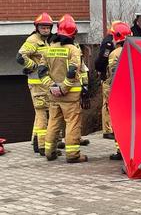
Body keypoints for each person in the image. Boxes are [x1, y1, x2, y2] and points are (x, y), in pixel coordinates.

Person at [38, 14, 88, 163]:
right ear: (73, 33)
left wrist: (52, 87)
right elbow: (72, 71)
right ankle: (73, 155)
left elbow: (41, 71)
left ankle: (49, 152)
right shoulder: (73, 49)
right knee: (72, 122)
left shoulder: (48, 49)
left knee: (53, 122)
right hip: (70, 95)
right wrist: (64, 88)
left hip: (53, 95)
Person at [16, 12, 53, 156]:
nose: (45, 30)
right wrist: (34, 66)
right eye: (43, 27)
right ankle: (43, 146)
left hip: (45, 83)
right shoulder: (33, 40)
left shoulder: (47, 41)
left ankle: (37, 141)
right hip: (37, 83)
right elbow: (20, 57)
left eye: (48, 27)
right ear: (37, 28)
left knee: (42, 113)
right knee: (42, 113)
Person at [103, 21, 132, 160]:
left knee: (118, 121)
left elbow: (113, 73)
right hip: (131, 91)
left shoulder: (114, 54)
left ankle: (120, 151)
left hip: (119, 92)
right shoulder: (133, 49)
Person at [95, 31, 115, 140]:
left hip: (109, 76)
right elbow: (102, 60)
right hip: (108, 77)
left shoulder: (109, 41)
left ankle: (109, 128)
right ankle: (107, 130)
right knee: (107, 104)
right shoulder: (108, 43)